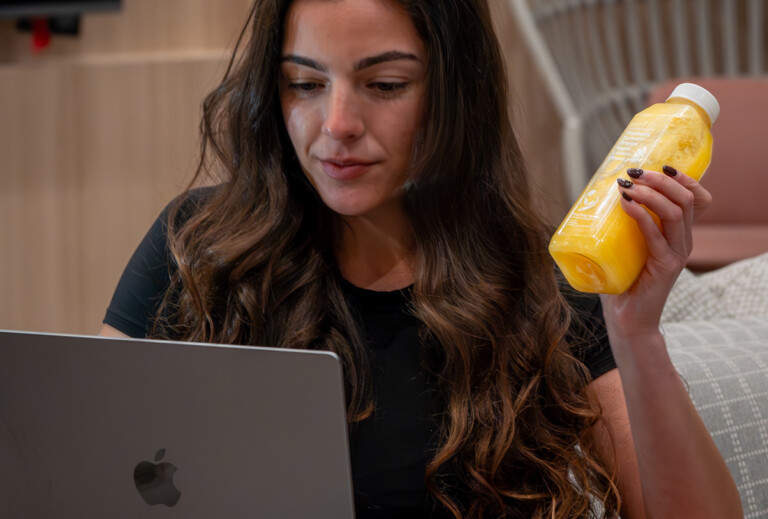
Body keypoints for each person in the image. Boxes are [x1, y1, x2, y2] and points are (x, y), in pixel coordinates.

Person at [100, 0, 743, 517]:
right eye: (305, 83)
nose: (337, 123)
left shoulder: (536, 282)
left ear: (454, 94)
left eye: (385, 84)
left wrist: (636, 333)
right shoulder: (198, 243)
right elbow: (80, 446)